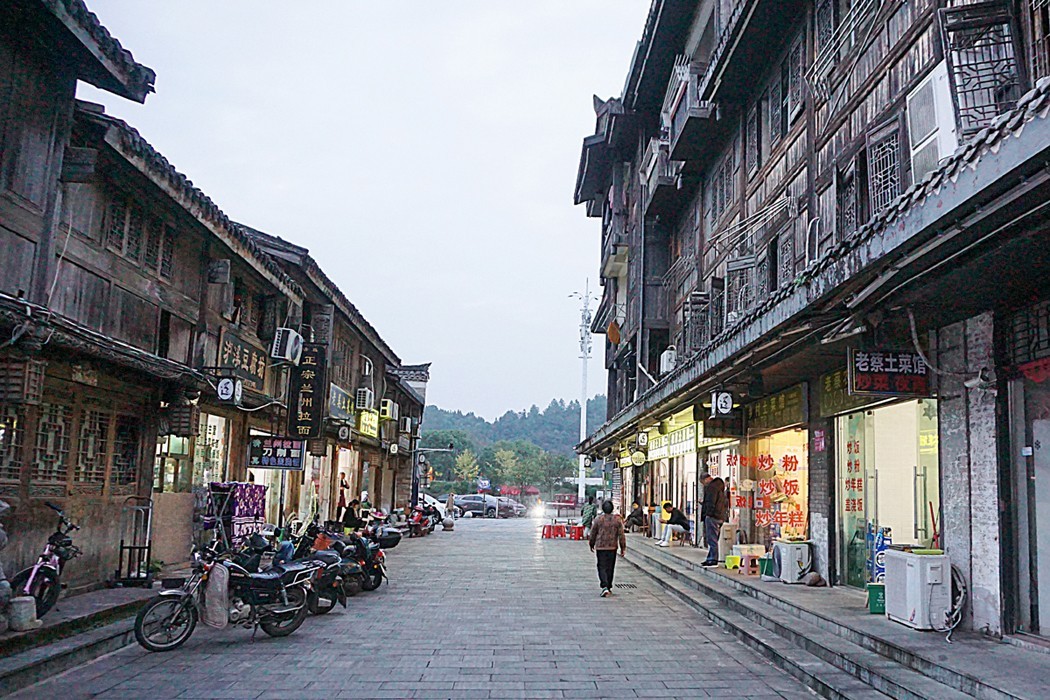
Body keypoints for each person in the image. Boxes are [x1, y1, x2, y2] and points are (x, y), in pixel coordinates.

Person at [588, 500, 626, 597]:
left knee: (601, 566)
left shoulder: (598, 519)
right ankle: (608, 586)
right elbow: (621, 535)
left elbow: (593, 533)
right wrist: (623, 547)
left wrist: (591, 543)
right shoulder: (617, 520)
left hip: (601, 547)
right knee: (610, 567)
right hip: (612, 547)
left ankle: (604, 586)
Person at [700, 472, 729, 566]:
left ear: (706, 479)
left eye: (703, 482)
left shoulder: (711, 488)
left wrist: (708, 513)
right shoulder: (720, 487)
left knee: (711, 539)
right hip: (720, 516)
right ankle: (710, 557)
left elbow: (710, 502)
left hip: (713, 516)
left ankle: (712, 559)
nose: (704, 485)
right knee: (714, 539)